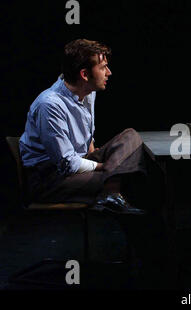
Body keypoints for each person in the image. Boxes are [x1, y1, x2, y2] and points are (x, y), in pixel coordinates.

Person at [19, 39, 168, 288]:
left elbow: (88, 144)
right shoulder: (50, 105)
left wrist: (104, 159)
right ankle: (155, 263)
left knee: (131, 135)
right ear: (84, 74)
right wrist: (110, 168)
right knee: (133, 181)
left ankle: (111, 193)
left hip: (78, 165)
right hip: (49, 178)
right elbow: (66, 164)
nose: (109, 73)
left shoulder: (87, 94)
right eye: (103, 68)